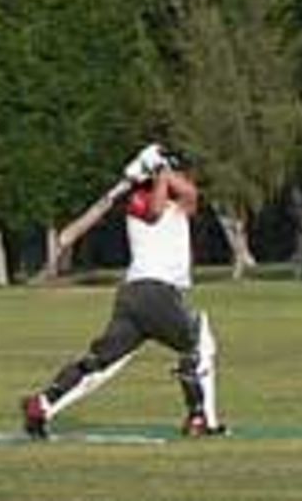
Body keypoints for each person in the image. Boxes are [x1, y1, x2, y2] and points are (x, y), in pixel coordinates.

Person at [22, 142, 227, 438]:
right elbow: (161, 208)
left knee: (102, 362)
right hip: (157, 293)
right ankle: (200, 418)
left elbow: (186, 193)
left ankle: (43, 404)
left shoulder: (141, 201)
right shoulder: (150, 203)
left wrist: (151, 171)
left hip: (132, 297)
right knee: (198, 344)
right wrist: (159, 169)